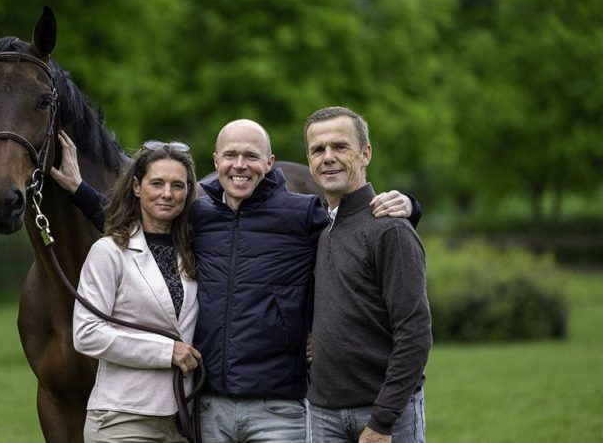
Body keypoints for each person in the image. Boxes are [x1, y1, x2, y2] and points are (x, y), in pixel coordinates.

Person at [51, 122, 420, 443]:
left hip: (279, 406)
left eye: (251, 156)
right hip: (210, 405)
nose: (240, 165)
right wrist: (79, 190)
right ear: (216, 162)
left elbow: (354, 230)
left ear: (269, 163)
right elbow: (144, 222)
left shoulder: (301, 214)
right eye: (230, 155)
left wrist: (407, 206)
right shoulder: (198, 216)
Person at [303, 106, 432, 443]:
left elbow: (415, 332)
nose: (328, 158)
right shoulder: (320, 228)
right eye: (318, 150)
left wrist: (382, 421)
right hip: (323, 414)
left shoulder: (390, 229)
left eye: (340, 146)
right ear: (309, 160)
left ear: (365, 154)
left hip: (383, 415)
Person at [72, 140, 202, 442]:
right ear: (136, 187)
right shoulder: (108, 252)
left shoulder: (193, 252)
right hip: (122, 418)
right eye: (157, 183)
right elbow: (86, 333)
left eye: (177, 185)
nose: (167, 193)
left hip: (182, 419)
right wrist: (166, 352)